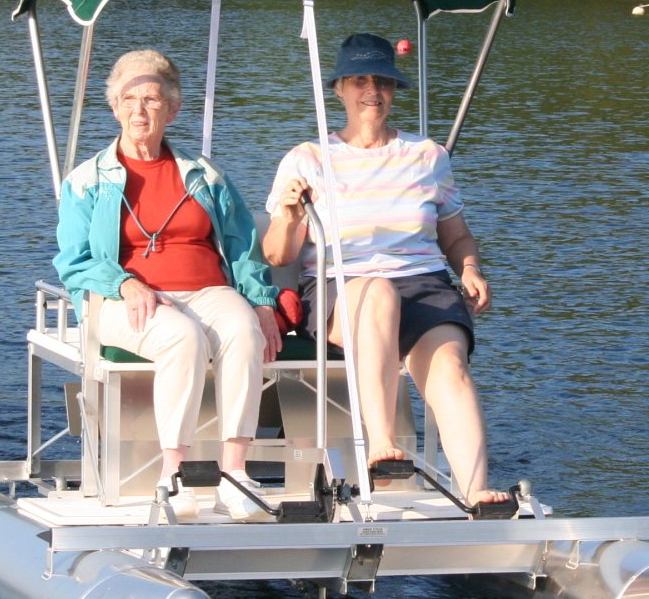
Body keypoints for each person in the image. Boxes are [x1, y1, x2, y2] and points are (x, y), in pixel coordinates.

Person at [263, 32, 508, 509]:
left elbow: (455, 236)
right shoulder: (308, 159)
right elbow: (278, 255)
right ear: (339, 89)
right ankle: (380, 445)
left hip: (422, 283)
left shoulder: (427, 156)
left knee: (449, 367)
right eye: (359, 80)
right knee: (376, 292)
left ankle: (476, 491)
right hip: (342, 285)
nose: (371, 91)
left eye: (382, 82)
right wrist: (291, 215)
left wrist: (472, 268)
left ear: (394, 91)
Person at [55, 49, 283, 519]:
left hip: (206, 290)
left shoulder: (205, 176)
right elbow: (73, 262)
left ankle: (235, 474)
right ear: (115, 107)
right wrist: (124, 285)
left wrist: (261, 302)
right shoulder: (87, 180)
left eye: (153, 100)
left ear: (172, 109)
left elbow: (242, 245)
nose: (140, 110)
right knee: (180, 335)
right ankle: (174, 474)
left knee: (242, 328)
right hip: (123, 300)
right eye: (129, 99)